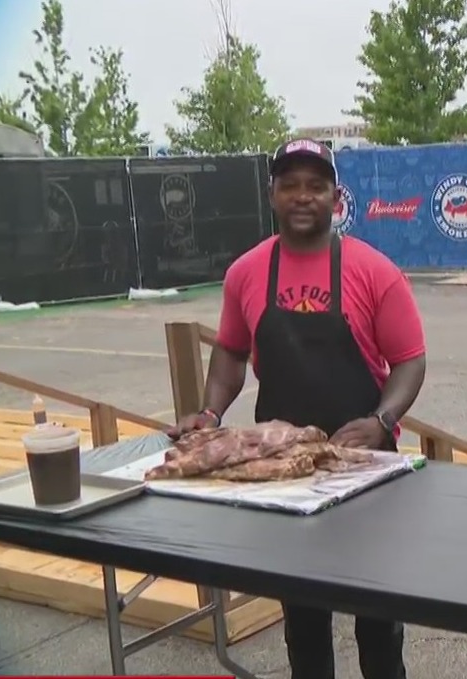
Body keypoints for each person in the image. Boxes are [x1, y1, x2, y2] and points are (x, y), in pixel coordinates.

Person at [167, 137, 428, 679]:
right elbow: (232, 353)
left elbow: (409, 361)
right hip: (281, 470)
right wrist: (210, 414)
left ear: (337, 198)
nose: (302, 196)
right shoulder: (245, 273)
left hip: (363, 469)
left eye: (316, 186)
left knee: (378, 623)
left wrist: (382, 421)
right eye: (290, 185)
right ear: (272, 194)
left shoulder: (374, 270)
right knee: (304, 622)